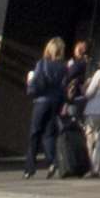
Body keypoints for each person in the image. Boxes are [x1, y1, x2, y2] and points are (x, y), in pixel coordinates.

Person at [23, 36, 74, 176]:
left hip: (41, 101)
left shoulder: (42, 63)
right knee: (49, 134)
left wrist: (30, 86)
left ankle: (30, 168)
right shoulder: (64, 67)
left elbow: (36, 82)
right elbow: (64, 87)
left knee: (35, 133)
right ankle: (52, 162)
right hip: (55, 102)